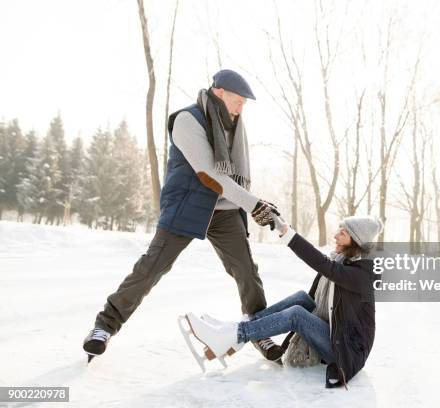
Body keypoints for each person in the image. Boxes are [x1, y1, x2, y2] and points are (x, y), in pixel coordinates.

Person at [83, 69, 284, 362]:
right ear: (219, 93)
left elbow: (236, 177)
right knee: (151, 268)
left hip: (225, 210)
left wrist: (257, 207)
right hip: (189, 203)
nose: (241, 108)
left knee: (246, 272)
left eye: (244, 103)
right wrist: (254, 205)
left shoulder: (234, 125)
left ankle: (259, 330)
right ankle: (104, 325)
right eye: (238, 100)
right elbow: (210, 175)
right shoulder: (186, 120)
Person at [184, 214, 383, 388]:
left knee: (297, 313)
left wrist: (289, 235)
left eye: (343, 232)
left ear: (356, 241)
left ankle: (234, 334)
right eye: (339, 229)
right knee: (302, 299)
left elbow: (323, 265)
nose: (335, 235)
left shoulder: (362, 274)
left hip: (344, 350)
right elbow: (320, 283)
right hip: (334, 333)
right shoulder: (344, 262)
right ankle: (236, 330)